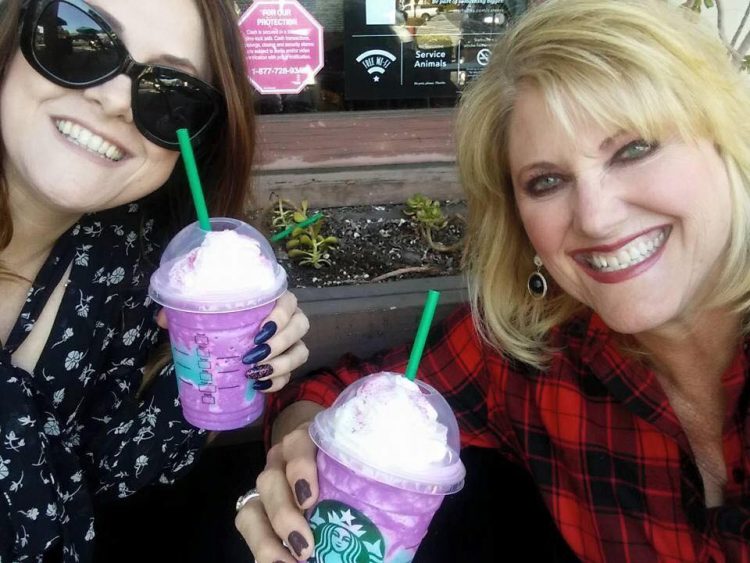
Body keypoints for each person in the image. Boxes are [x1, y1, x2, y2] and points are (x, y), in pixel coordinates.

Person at [235, 0, 750, 561]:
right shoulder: (539, 358)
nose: (597, 217)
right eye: (546, 181)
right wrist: (304, 446)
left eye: (635, 149)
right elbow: (336, 391)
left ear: (728, 144)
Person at [0, 0, 310, 560]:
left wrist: (218, 367)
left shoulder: (122, 263)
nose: (116, 100)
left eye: (169, 91)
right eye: (76, 38)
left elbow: (113, 469)